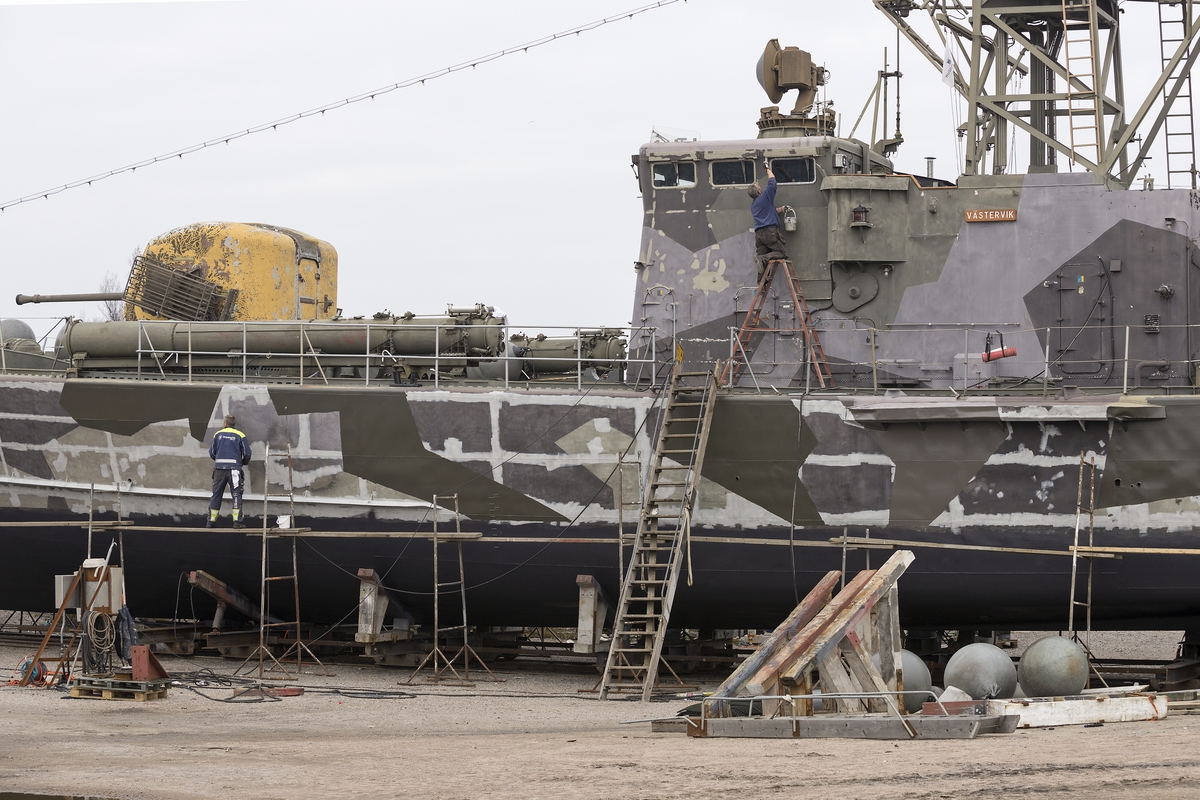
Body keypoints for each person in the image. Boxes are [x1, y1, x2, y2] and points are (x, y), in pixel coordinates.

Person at [207, 414, 252, 528]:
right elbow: (247, 453)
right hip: (234, 471)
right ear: (233, 424)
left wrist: (219, 460)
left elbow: (212, 452)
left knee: (216, 494)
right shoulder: (240, 435)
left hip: (219, 470)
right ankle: (237, 522)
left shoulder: (217, 434)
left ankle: (211, 522)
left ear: (225, 424)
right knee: (236, 495)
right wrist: (242, 462)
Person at [748, 163, 789, 278]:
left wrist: (782, 209)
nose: (759, 185)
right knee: (782, 253)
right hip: (769, 232)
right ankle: (762, 258)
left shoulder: (754, 205)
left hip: (759, 235)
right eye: (758, 185)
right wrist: (767, 169)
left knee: (762, 265)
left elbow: (770, 212)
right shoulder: (765, 196)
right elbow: (772, 183)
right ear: (759, 191)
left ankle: (761, 284)